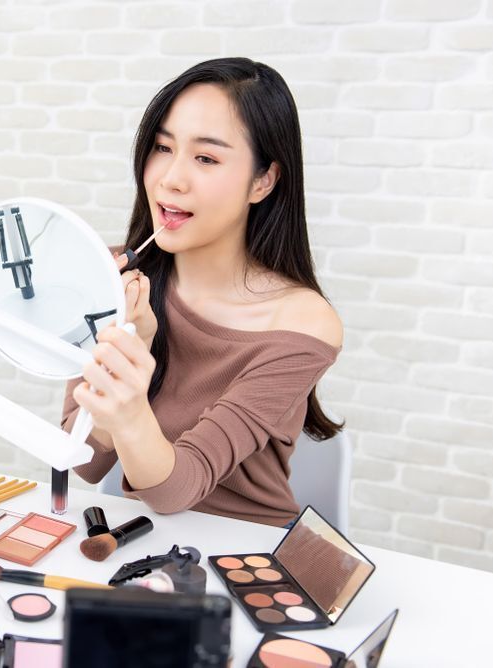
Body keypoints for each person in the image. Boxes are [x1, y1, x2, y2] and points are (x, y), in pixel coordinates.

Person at [61, 57, 344, 527]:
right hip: (140, 538)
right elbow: (84, 462)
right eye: (162, 147)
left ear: (263, 180)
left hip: (249, 548)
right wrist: (131, 340)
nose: (171, 178)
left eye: (206, 158)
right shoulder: (113, 278)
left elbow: (176, 490)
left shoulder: (303, 322)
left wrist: (131, 400)